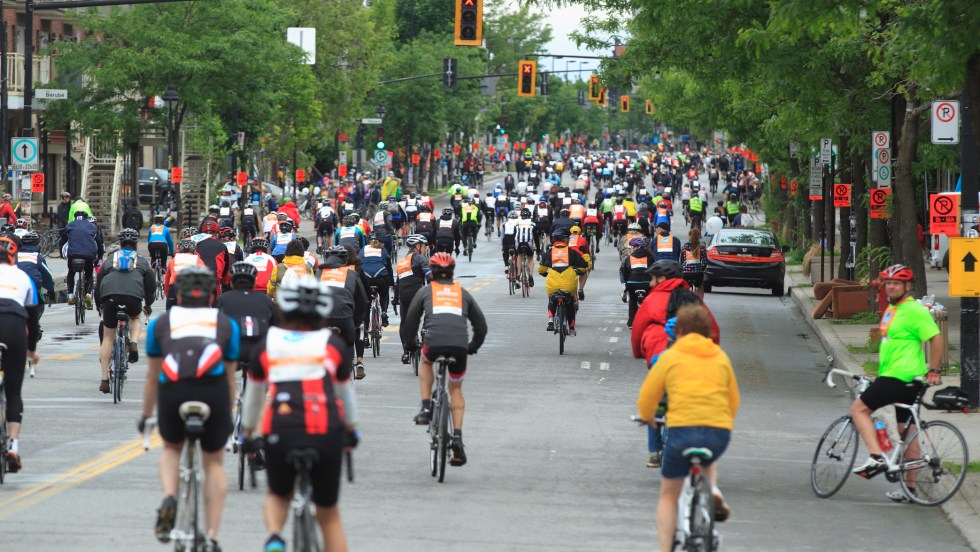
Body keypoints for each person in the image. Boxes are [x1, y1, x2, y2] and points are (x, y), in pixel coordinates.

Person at [240, 276, 357, 552]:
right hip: (324, 429)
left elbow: (254, 397)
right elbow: (345, 396)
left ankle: (275, 537)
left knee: (278, 495)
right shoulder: (333, 344)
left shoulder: (268, 344)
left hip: (281, 428)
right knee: (328, 513)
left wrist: (248, 434)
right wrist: (351, 431)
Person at [140, 266, 239, 552]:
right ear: (212, 295)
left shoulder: (162, 323)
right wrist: (229, 416)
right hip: (212, 391)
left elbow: (152, 376)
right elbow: (230, 378)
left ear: (178, 295)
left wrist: (146, 415)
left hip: (174, 390)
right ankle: (212, 536)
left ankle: (170, 496)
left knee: (172, 449)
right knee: (214, 463)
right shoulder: (225, 324)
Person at [638, 304, 739, 550]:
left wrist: (648, 417)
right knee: (708, 457)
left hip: (682, 430)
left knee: (668, 495)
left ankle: (666, 548)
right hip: (717, 432)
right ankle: (712, 492)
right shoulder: (720, 357)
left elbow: (648, 397)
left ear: (679, 332)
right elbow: (733, 400)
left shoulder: (670, 357)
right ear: (707, 331)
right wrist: (723, 422)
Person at [850, 264, 944, 498]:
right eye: (889, 283)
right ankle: (910, 488)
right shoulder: (893, 308)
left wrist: (934, 370)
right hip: (900, 377)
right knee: (907, 431)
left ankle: (875, 457)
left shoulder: (914, 310)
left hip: (900, 377)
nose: (891, 287)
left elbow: (936, 338)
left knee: (859, 409)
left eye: (897, 283)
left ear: (907, 286)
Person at [400, 252, 487, 466]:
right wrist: (472, 347)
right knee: (455, 390)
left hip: (434, 343)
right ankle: (457, 437)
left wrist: (410, 343)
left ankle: (425, 407)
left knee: (426, 361)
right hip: (459, 346)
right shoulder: (462, 292)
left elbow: (410, 320)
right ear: (452, 272)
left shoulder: (425, 291)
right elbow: (481, 326)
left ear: (432, 273)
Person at [95, 228, 155, 392]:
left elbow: (98, 284)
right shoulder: (142, 260)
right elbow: (150, 287)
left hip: (110, 297)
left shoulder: (110, 259)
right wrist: (148, 305)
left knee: (108, 337)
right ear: (136, 244)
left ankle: (104, 379)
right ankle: (133, 342)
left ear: (120, 244)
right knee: (135, 318)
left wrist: (100, 305)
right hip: (133, 297)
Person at [0, 236, 39, 472]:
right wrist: (32, 350)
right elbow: (32, 320)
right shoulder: (23, 277)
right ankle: (13, 446)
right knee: (13, 391)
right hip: (14, 326)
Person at [216, 262, 278, 374]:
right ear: (254, 283)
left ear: (232, 283)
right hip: (259, 351)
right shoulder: (266, 300)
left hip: (233, 351)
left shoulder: (223, 299)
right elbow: (275, 327)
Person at [319, 246, 367, 380]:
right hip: (344, 317)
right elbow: (362, 300)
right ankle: (347, 369)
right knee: (348, 344)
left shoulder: (319, 273)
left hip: (322, 318)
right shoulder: (351, 273)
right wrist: (356, 322)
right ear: (346, 261)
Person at [538, 228, 588, 335]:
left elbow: (541, 269)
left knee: (552, 299)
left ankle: (550, 320)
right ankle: (571, 328)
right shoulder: (572, 252)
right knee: (570, 303)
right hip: (569, 285)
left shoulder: (549, 252)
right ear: (565, 239)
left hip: (553, 285)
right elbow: (584, 266)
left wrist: (544, 273)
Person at [396, 235, 431, 364]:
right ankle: (425, 328)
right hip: (418, 294)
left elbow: (397, 283)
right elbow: (429, 276)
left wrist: (395, 300)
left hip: (404, 296)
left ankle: (406, 352)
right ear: (418, 246)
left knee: (404, 323)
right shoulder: (421, 259)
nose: (425, 249)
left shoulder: (401, 262)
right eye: (424, 246)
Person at [65, 212, 105, 309]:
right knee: (89, 275)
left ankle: (70, 296)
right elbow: (99, 243)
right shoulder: (93, 227)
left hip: (73, 255)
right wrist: (100, 256)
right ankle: (88, 295)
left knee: (71, 272)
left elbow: (63, 242)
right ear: (86, 218)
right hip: (89, 255)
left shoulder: (69, 226)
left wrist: (64, 255)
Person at [360, 233, 394, 327]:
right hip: (381, 277)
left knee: (366, 300)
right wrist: (391, 283)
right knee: (384, 294)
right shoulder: (383, 250)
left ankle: (365, 329)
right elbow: (389, 268)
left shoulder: (363, 250)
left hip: (366, 277)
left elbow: (358, 265)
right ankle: (384, 311)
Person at [621, 237, 654, 328]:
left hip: (632, 283)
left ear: (636, 247)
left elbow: (625, 274)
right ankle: (649, 320)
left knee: (632, 299)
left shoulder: (629, 258)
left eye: (631, 247)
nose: (630, 249)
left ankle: (631, 322)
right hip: (646, 283)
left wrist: (626, 285)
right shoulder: (650, 257)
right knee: (648, 299)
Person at [165, 238, 206, 309]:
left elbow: (167, 279)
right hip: (191, 286)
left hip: (174, 286)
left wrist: (168, 294)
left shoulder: (173, 260)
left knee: (170, 312)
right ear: (194, 250)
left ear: (179, 250)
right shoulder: (198, 260)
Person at [682, 228, 708, 298]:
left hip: (686, 273)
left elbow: (682, 261)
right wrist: (701, 269)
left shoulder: (685, 247)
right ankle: (700, 301)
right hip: (697, 273)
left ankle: (684, 300)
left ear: (689, 236)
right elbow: (705, 262)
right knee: (700, 287)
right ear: (699, 236)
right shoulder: (701, 247)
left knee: (684, 287)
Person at [567, 226, 591, 300]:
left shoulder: (566, 239)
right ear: (580, 233)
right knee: (584, 271)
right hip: (579, 260)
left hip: (568, 261)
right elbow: (587, 252)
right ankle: (580, 288)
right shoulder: (583, 239)